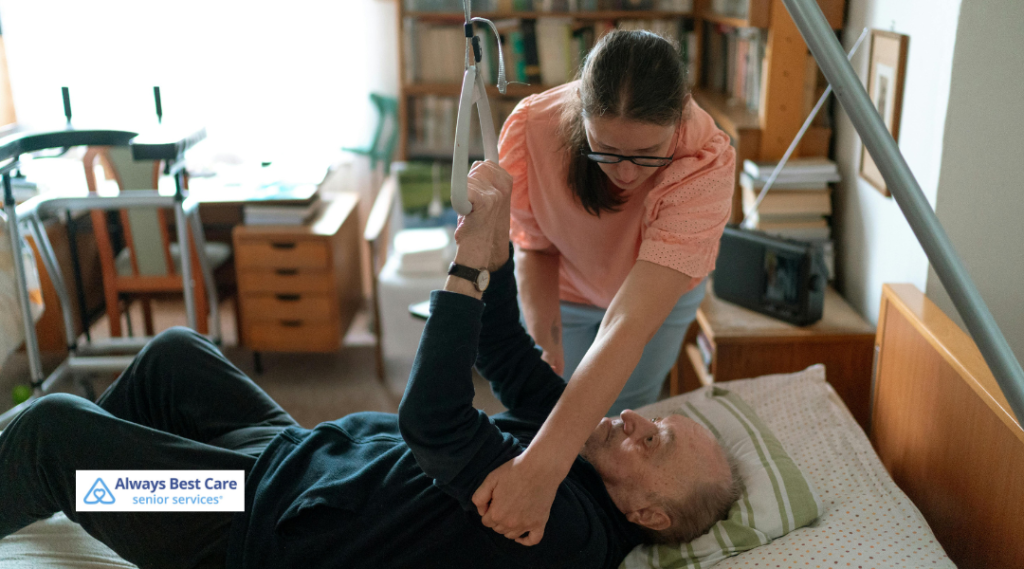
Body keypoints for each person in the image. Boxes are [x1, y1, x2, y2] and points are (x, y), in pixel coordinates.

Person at [0, 162, 739, 569]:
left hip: (245, 524)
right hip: (296, 458)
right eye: (658, 420)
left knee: (51, 429)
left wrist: (464, 271)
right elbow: (505, 351)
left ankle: (121, 492)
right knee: (173, 356)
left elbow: (435, 422)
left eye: (657, 444)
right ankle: (112, 488)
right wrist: (498, 239)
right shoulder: (575, 438)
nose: (637, 418)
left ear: (649, 514)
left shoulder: (569, 531)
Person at [474, 29, 736, 545]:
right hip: (568, 284)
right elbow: (536, 246)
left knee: (617, 433)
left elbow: (630, 322)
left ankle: (590, 536)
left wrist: (540, 474)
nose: (623, 172)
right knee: (553, 410)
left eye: (646, 154)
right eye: (605, 150)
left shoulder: (704, 161)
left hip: (653, 303)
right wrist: (543, 338)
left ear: (678, 117)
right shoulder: (534, 126)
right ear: (581, 117)